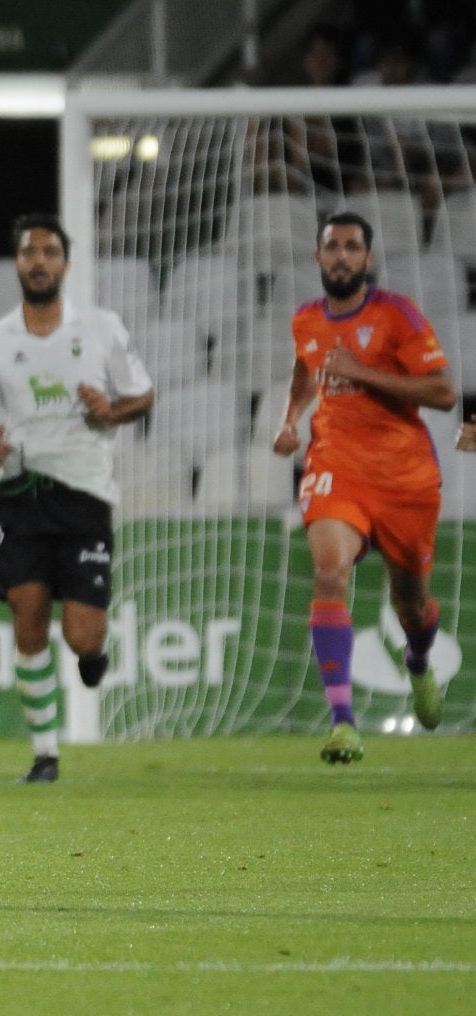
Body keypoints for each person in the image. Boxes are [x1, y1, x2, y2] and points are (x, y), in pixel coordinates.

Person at [0, 213, 154, 784]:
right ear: (17, 263)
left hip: (84, 491)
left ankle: (93, 658)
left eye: (49, 252)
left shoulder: (101, 329)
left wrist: (110, 411)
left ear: (65, 263)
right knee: (28, 619)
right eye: (28, 252)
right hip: (17, 494)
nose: (38, 261)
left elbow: (142, 395)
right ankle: (45, 754)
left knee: (81, 635)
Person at [271, 211, 457, 764]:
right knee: (330, 570)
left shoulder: (397, 314)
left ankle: (419, 663)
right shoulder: (305, 319)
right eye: (332, 246)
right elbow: (307, 368)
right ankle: (344, 723)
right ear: (318, 257)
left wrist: (363, 372)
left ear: (368, 259)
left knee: (413, 604)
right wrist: (291, 419)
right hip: (336, 466)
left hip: (405, 478)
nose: (341, 256)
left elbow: (444, 393)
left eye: (352, 247)